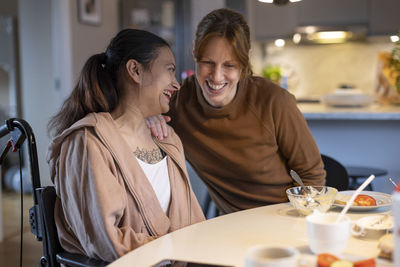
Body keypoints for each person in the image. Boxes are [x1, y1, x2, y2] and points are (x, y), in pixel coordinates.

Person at [146, 8, 326, 215]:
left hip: (283, 216)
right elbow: (131, 116)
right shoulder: (177, 103)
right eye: (207, 63)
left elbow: (312, 176)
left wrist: (299, 222)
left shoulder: (274, 101)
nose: (216, 77)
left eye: (229, 65)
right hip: (230, 224)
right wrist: (149, 114)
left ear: (245, 60)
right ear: (195, 51)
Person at [46, 29, 205, 263]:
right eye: (170, 70)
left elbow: (195, 224)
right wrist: (176, 249)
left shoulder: (168, 139)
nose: (177, 84)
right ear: (135, 71)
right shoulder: (88, 142)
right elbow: (104, 240)